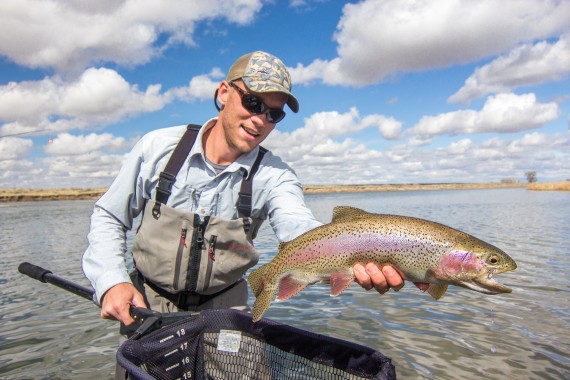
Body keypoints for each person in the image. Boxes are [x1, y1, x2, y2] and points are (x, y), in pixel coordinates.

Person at [82, 51, 422, 330]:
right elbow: (109, 216)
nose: (261, 119)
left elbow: (300, 228)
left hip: (227, 312)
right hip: (146, 307)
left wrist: (359, 253)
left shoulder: (277, 177)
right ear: (223, 93)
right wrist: (112, 281)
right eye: (253, 102)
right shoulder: (157, 148)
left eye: (274, 114)